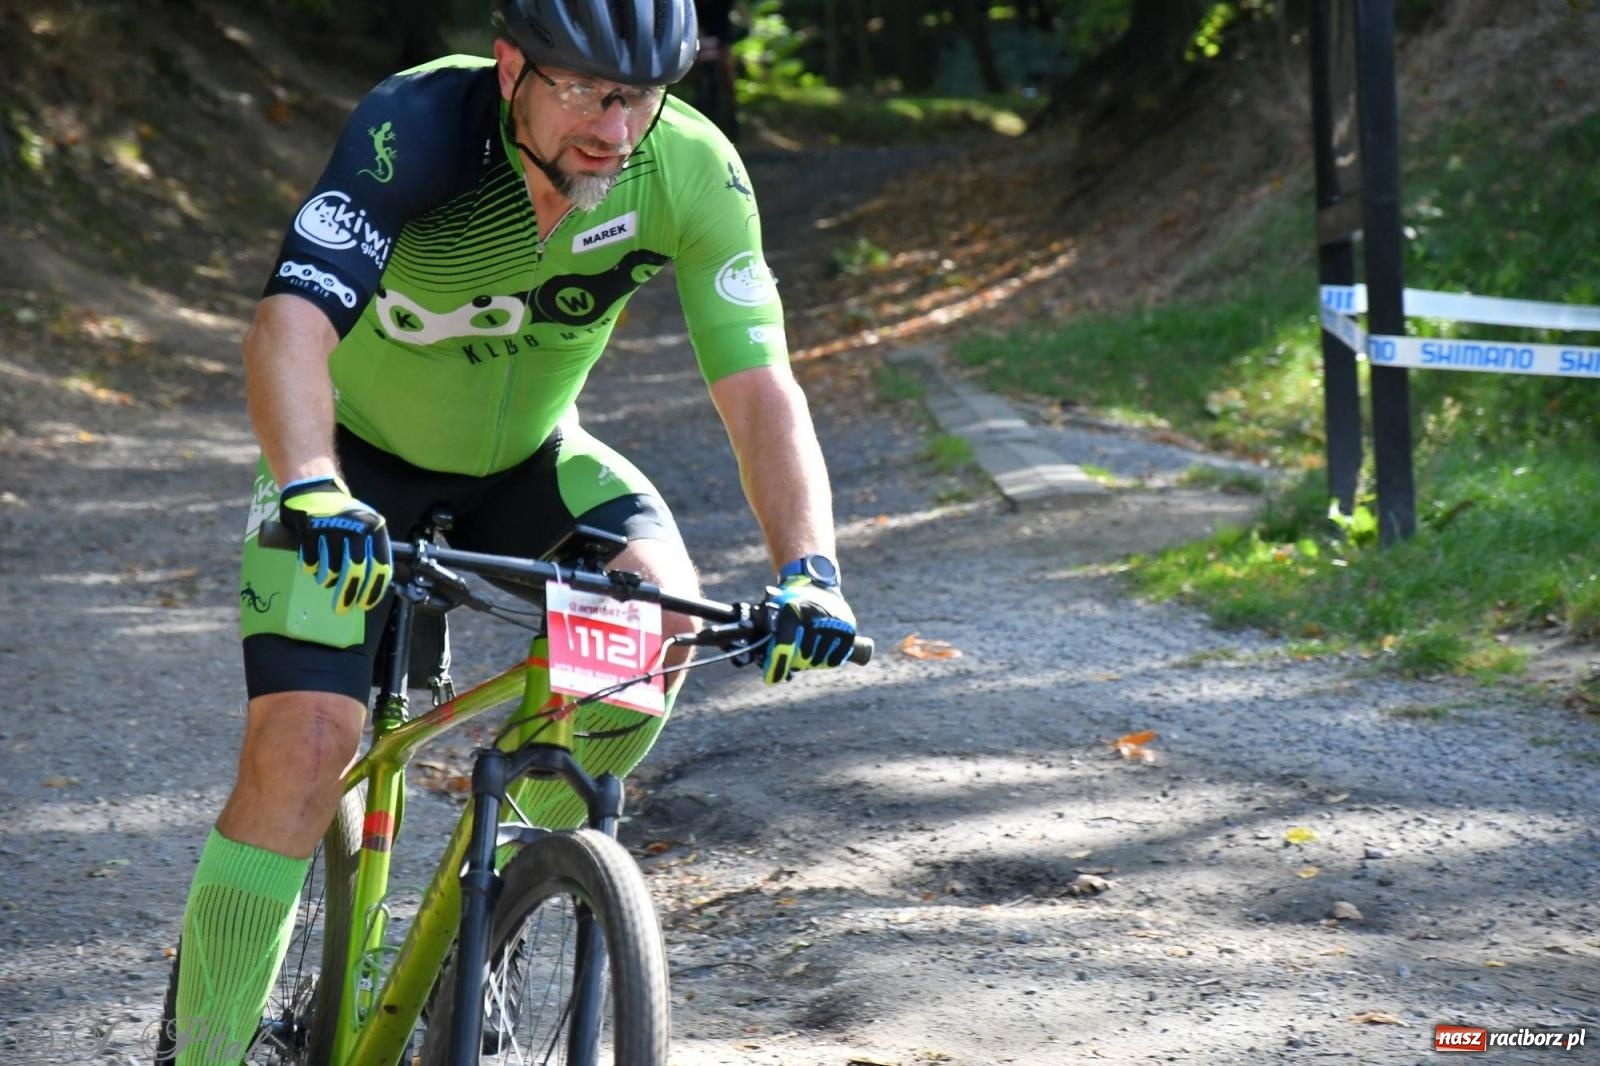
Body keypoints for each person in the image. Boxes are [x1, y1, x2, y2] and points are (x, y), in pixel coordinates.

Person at [165, 1, 857, 1060]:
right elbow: (288, 324)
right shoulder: (420, 128)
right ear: (509, 68)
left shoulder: (691, 168)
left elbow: (760, 386)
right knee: (306, 742)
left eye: (636, 96)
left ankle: (491, 914)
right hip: (352, 467)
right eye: (582, 89)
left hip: (535, 463)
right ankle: (202, 1047)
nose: (613, 129)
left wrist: (809, 571)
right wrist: (311, 484)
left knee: (656, 629)